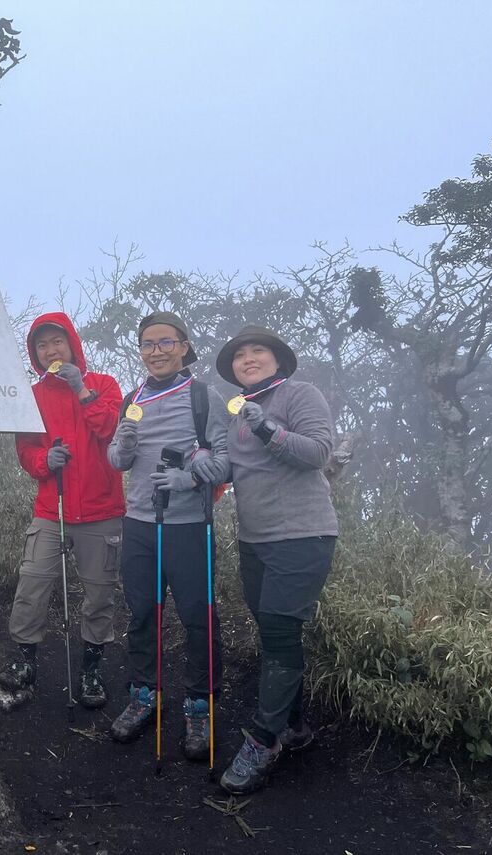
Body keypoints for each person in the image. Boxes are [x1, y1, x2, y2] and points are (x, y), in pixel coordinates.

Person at [215, 326, 338, 795]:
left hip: (303, 535)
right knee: (273, 631)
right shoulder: (236, 414)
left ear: (277, 359)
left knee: (280, 628)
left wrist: (266, 427)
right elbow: (230, 468)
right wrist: (195, 466)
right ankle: (296, 726)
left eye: (257, 351)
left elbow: (318, 453)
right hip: (255, 539)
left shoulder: (298, 394)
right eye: (240, 354)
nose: (248, 358)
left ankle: (264, 741)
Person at [106, 311, 229, 760]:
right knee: (142, 614)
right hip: (138, 523)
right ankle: (144, 695)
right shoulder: (131, 398)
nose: (155, 351)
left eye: (164, 342)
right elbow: (118, 461)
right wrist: (122, 446)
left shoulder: (203, 397)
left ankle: (200, 704)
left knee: (199, 617)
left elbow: (226, 461)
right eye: (147, 344)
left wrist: (190, 478)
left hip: (190, 527)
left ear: (183, 346)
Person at [0, 312, 125, 709]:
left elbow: (112, 431)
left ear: (72, 343)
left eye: (57, 341)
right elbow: (26, 450)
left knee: (99, 593)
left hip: (103, 511)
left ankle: (90, 670)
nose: (50, 350)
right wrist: (44, 461)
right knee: (32, 583)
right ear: (35, 353)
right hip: (52, 508)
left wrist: (81, 389)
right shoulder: (32, 396)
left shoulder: (104, 385)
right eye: (41, 344)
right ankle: (25, 659)